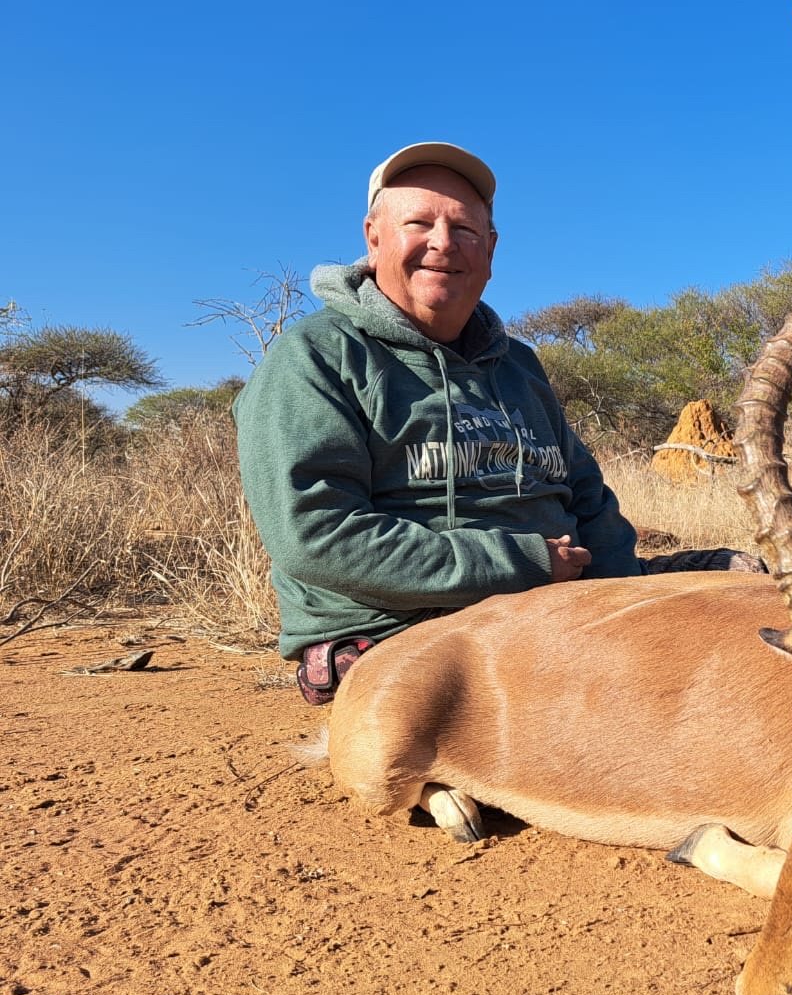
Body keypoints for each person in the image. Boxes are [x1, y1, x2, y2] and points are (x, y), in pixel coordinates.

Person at [235, 142, 755, 705]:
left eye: (464, 229)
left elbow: (587, 497)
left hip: (566, 604)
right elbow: (316, 537)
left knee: (758, 588)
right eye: (418, 223)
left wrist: (623, 603)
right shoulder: (312, 359)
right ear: (374, 237)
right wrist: (522, 564)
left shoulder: (518, 365)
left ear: (490, 249)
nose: (442, 243)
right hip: (415, 632)